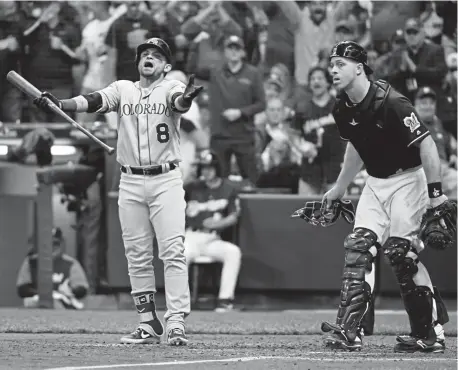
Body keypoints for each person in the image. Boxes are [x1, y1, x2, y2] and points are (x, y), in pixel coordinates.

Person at [33, 38, 203, 346]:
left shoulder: (171, 86)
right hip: (130, 181)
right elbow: (93, 100)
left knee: (172, 251)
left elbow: (180, 102)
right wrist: (61, 104)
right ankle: (148, 322)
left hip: (165, 180)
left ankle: (176, 321)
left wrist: (186, 101)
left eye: (156, 55)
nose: (148, 57)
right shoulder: (123, 88)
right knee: (137, 255)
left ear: (165, 65)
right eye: (144, 54)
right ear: (138, 62)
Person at [321, 41, 449, 353]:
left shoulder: (392, 101)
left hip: (409, 180)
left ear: (359, 67)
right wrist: (339, 187)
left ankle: (430, 333)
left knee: (400, 254)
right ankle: (350, 331)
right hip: (375, 183)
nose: (333, 70)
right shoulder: (342, 107)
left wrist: (435, 196)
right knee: (358, 248)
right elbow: (355, 146)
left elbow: (428, 145)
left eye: (340, 64)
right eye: (331, 64)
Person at [184, 150, 242, 312]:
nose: (206, 171)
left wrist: (220, 224)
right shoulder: (191, 187)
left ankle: (225, 300)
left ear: (217, 168)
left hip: (212, 238)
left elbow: (234, 216)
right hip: (191, 236)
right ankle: (181, 302)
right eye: (203, 168)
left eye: (209, 168)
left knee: (233, 252)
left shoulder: (228, 189)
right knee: (180, 254)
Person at [16, 227, 89, 310]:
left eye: (55, 243)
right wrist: (47, 294)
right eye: (48, 244)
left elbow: (82, 290)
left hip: (64, 309)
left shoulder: (71, 263)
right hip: (35, 307)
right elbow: (22, 290)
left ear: (62, 243)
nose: (52, 247)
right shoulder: (30, 262)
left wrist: (70, 291)